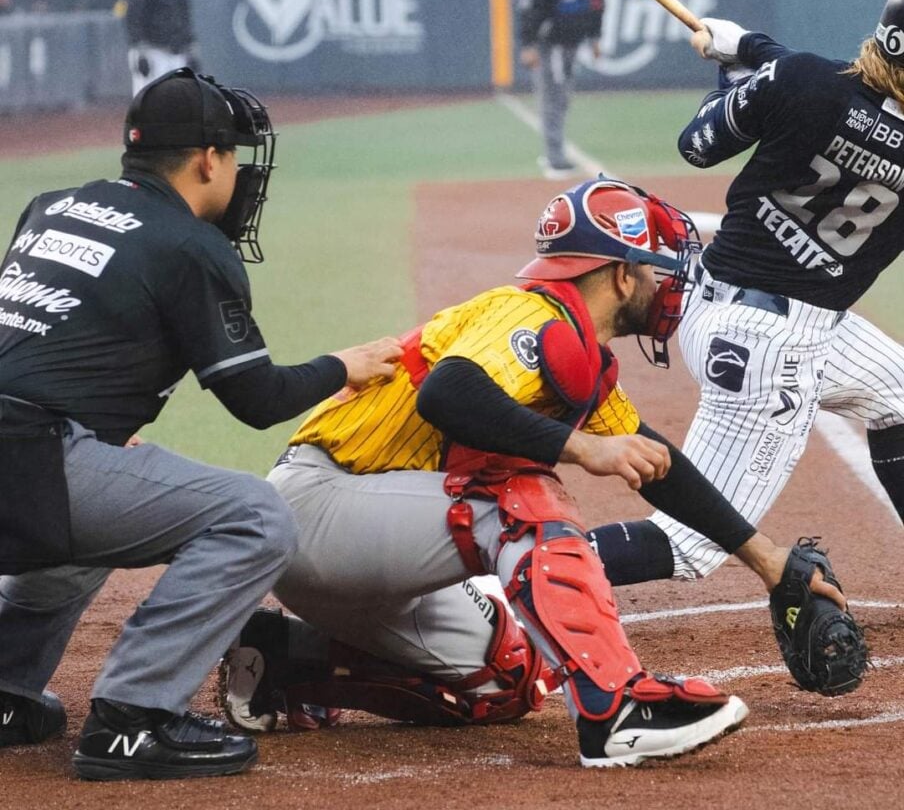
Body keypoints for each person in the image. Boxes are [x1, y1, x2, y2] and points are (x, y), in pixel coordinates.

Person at [219, 177, 825, 768]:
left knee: (507, 679)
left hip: (372, 542)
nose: (666, 286)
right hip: (320, 503)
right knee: (516, 493)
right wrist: (581, 447)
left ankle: (285, 660)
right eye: (653, 269)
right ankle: (615, 710)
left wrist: (765, 560)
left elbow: (656, 462)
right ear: (619, 273)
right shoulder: (527, 314)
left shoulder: (579, 349)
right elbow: (449, 394)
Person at [0, 67, 401, 780]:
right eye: (235, 158)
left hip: (29, 458)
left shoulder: (51, 206)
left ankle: (4, 692)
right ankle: (134, 719)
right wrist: (343, 365)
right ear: (209, 159)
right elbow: (255, 400)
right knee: (256, 517)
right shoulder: (190, 245)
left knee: (90, 515)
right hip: (24, 462)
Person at [589, 0, 904, 589]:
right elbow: (862, 118)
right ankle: (499, 582)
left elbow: (699, 145)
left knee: (898, 392)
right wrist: (755, 53)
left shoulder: (802, 79)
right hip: (773, 349)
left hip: (717, 305)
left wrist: (742, 72)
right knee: (691, 544)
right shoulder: (801, 78)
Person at [518, 0, 604, 180]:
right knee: (553, 100)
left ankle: (554, 155)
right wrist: (528, 44)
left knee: (563, 99)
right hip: (550, 45)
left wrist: (595, 38)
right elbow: (530, 11)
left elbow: (598, 7)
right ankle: (554, 158)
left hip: (572, 45)